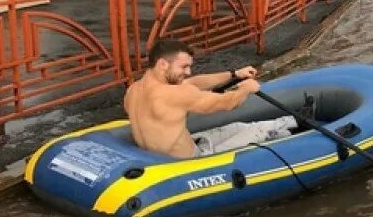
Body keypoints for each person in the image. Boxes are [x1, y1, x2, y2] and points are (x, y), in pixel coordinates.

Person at [123, 39, 312, 159]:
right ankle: (298, 130)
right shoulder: (174, 94)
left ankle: (293, 120)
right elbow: (225, 103)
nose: (188, 72)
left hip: (163, 156)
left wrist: (234, 74)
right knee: (258, 131)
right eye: (184, 67)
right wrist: (246, 88)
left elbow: (193, 83)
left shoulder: (134, 91)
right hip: (192, 161)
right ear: (163, 64)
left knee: (238, 128)